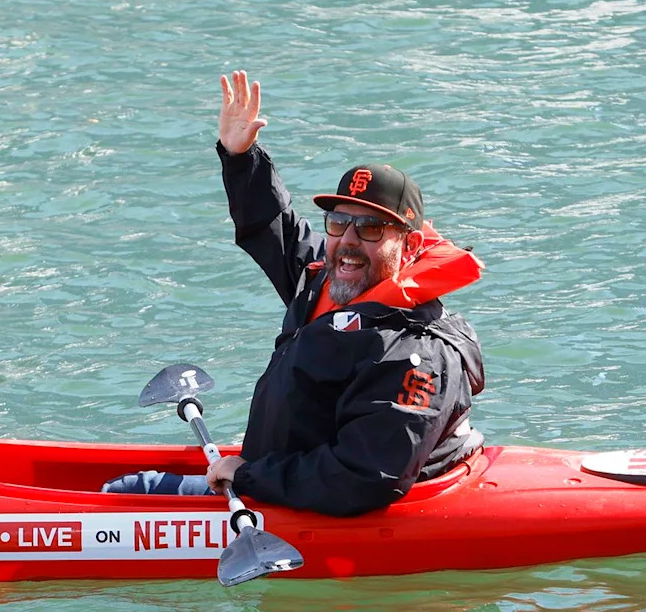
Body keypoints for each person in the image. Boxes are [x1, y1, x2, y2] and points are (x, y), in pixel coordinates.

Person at [103, 70, 486, 516]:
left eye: (371, 228)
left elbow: (365, 479)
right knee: (123, 487)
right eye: (339, 223)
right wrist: (240, 155)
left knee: (121, 496)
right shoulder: (327, 281)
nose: (348, 240)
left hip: (305, 505)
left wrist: (247, 476)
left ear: (411, 246)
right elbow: (274, 225)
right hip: (275, 481)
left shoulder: (416, 355)